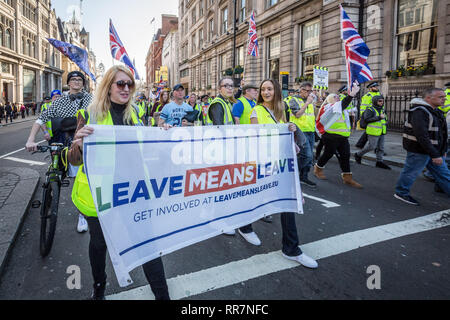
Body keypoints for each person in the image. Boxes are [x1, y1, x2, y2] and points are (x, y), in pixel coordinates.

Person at [67, 65, 170, 300]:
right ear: (108, 87)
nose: (126, 88)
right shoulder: (89, 114)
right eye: (120, 84)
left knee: (147, 244)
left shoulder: (134, 113)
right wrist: (78, 144)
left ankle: (163, 297)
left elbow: (147, 146)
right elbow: (73, 159)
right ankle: (99, 289)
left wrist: (163, 132)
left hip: (132, 191)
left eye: (129, 84)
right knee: (99, 244)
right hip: (100, 194)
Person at [249, 78, 318, 269]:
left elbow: (284, 134)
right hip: (264, 164)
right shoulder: (257, 111)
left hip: (281, 164)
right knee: (253, 199)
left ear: (276, 90)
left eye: (269, 89)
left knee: (287, 203)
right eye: (263, 89)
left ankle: (291, 248)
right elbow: (255, 138)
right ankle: (244, 225)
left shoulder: (281, 111)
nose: (266, 92)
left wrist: (290, 130)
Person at [26, 71, 93, 233]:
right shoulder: (59, 101)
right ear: (68, 83)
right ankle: (49, 197)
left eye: (79, 80)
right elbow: (41, 119)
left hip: (82, 140)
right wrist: (30, 139)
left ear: (83, 83)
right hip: (62, 138)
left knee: (80, 177)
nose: (76, 82)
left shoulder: (91, 99)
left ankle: (82, 215)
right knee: (56, 172)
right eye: (73, 80)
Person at [208, 77, 263, 244]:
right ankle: (217, 219)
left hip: (229, 150)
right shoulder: (218, 104)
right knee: (222, 186)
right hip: (220, 151)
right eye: (226, 86)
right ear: (219, 88)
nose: (230, 88)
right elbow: (220, 128)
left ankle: (224, 217)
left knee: (228, 186)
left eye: (232, 86)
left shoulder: (227, 103)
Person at [394, 88, 450, 204]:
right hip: (419, 151)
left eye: (444, 96)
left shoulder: (437, 111)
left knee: (444, 175)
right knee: (411, 172)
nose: (444, 99)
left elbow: (442, 133)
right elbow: (422, 136)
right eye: (441, 97)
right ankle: (401, 193)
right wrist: (435, 154)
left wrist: (442, 150)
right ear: (429, 98)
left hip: (434, 151)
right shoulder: (419, 112)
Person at [314, 83, 363, 188]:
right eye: (335, 97)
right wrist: (352, 94)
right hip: (330, 136)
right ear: (330, 100)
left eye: (338, 97)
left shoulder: (340, 108)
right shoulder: (328, 107)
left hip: (343, 137)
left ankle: (347, 177)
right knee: (328, 154)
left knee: (345, 156)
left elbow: (345, 109)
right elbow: (343, 104)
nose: (338, 98)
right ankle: (318, 169)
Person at [288, 82, 317, 187]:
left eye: (311, 91)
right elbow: (298, 115)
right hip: (300, 131)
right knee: (307, 155)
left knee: (309, 157)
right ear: (301, 90)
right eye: (307, 91)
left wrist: (318, 105)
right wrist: (307, 103)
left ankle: (304, 177)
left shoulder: (310, 101)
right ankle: (293, 172)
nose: (309, 93)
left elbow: (313, 115)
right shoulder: (294, 100)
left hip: (310, 130)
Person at [354, 95, 391, 169]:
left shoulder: (382, 109)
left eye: (382, 101)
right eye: (379, 101)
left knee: (381, 148)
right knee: (372, 146)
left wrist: (386, 122)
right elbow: (367, 119)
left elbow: (385, 118)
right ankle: (358, 154)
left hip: (381, 131)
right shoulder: (370, 109)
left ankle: (379, 162)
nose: (382, 102)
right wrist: (379, 117)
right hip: (373, 131)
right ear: (375, 101)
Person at [355, 82, 382, 149]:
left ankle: (360, 144)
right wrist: (363, 116)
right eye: (375, 87)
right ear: (371, 88)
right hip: (371, 114)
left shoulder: (379, 94)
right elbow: (363, 107)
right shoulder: (368, 96)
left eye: (377, 86)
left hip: (379, 114)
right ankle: (377, 148)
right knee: (373, 131)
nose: (377, 88)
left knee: (371, 131)